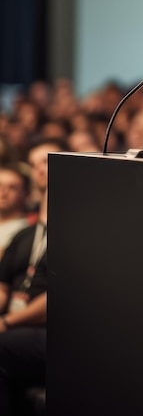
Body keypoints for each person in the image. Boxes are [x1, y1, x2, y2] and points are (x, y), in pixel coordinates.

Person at [0, 136, 66, 414]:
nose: (40, 168)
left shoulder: (75, 233)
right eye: (35, 163)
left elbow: (61, 298)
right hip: (15, 325)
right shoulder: (24, 235)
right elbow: (2, 286)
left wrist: (7, 321)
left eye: (48, 161)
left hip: (50, 332)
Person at [0, 166, 30, 259]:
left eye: (12, 187)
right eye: (0, 185)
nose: (3, 192)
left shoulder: (25, 231)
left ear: (24, 193)